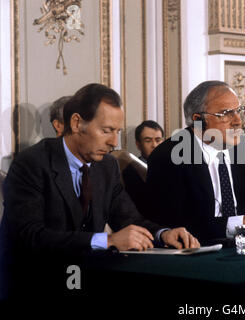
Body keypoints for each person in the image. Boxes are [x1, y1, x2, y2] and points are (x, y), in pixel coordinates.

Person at [0, 83, 199, 298]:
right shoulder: (31, 163)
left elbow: (128, 219)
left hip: (86, 276)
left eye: (117, 132)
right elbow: (31, 236)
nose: (114, 142)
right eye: (106, 131)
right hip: (35, 284)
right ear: (76, 123)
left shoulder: (107, 166)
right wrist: (109, 241)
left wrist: (164, 234)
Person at [144, 80, 245, 242]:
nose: (238, 121)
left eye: (238, 110)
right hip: (199, 254)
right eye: (225, 114)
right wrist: (242, 223)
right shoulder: (168, 156)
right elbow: (174, 225)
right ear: (198, 120)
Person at [122, 120, 164, 214]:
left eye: (158, 140)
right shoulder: (132, 170)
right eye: (148, 141)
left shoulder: (173, 167)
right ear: (138, 145)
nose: (154, 145)